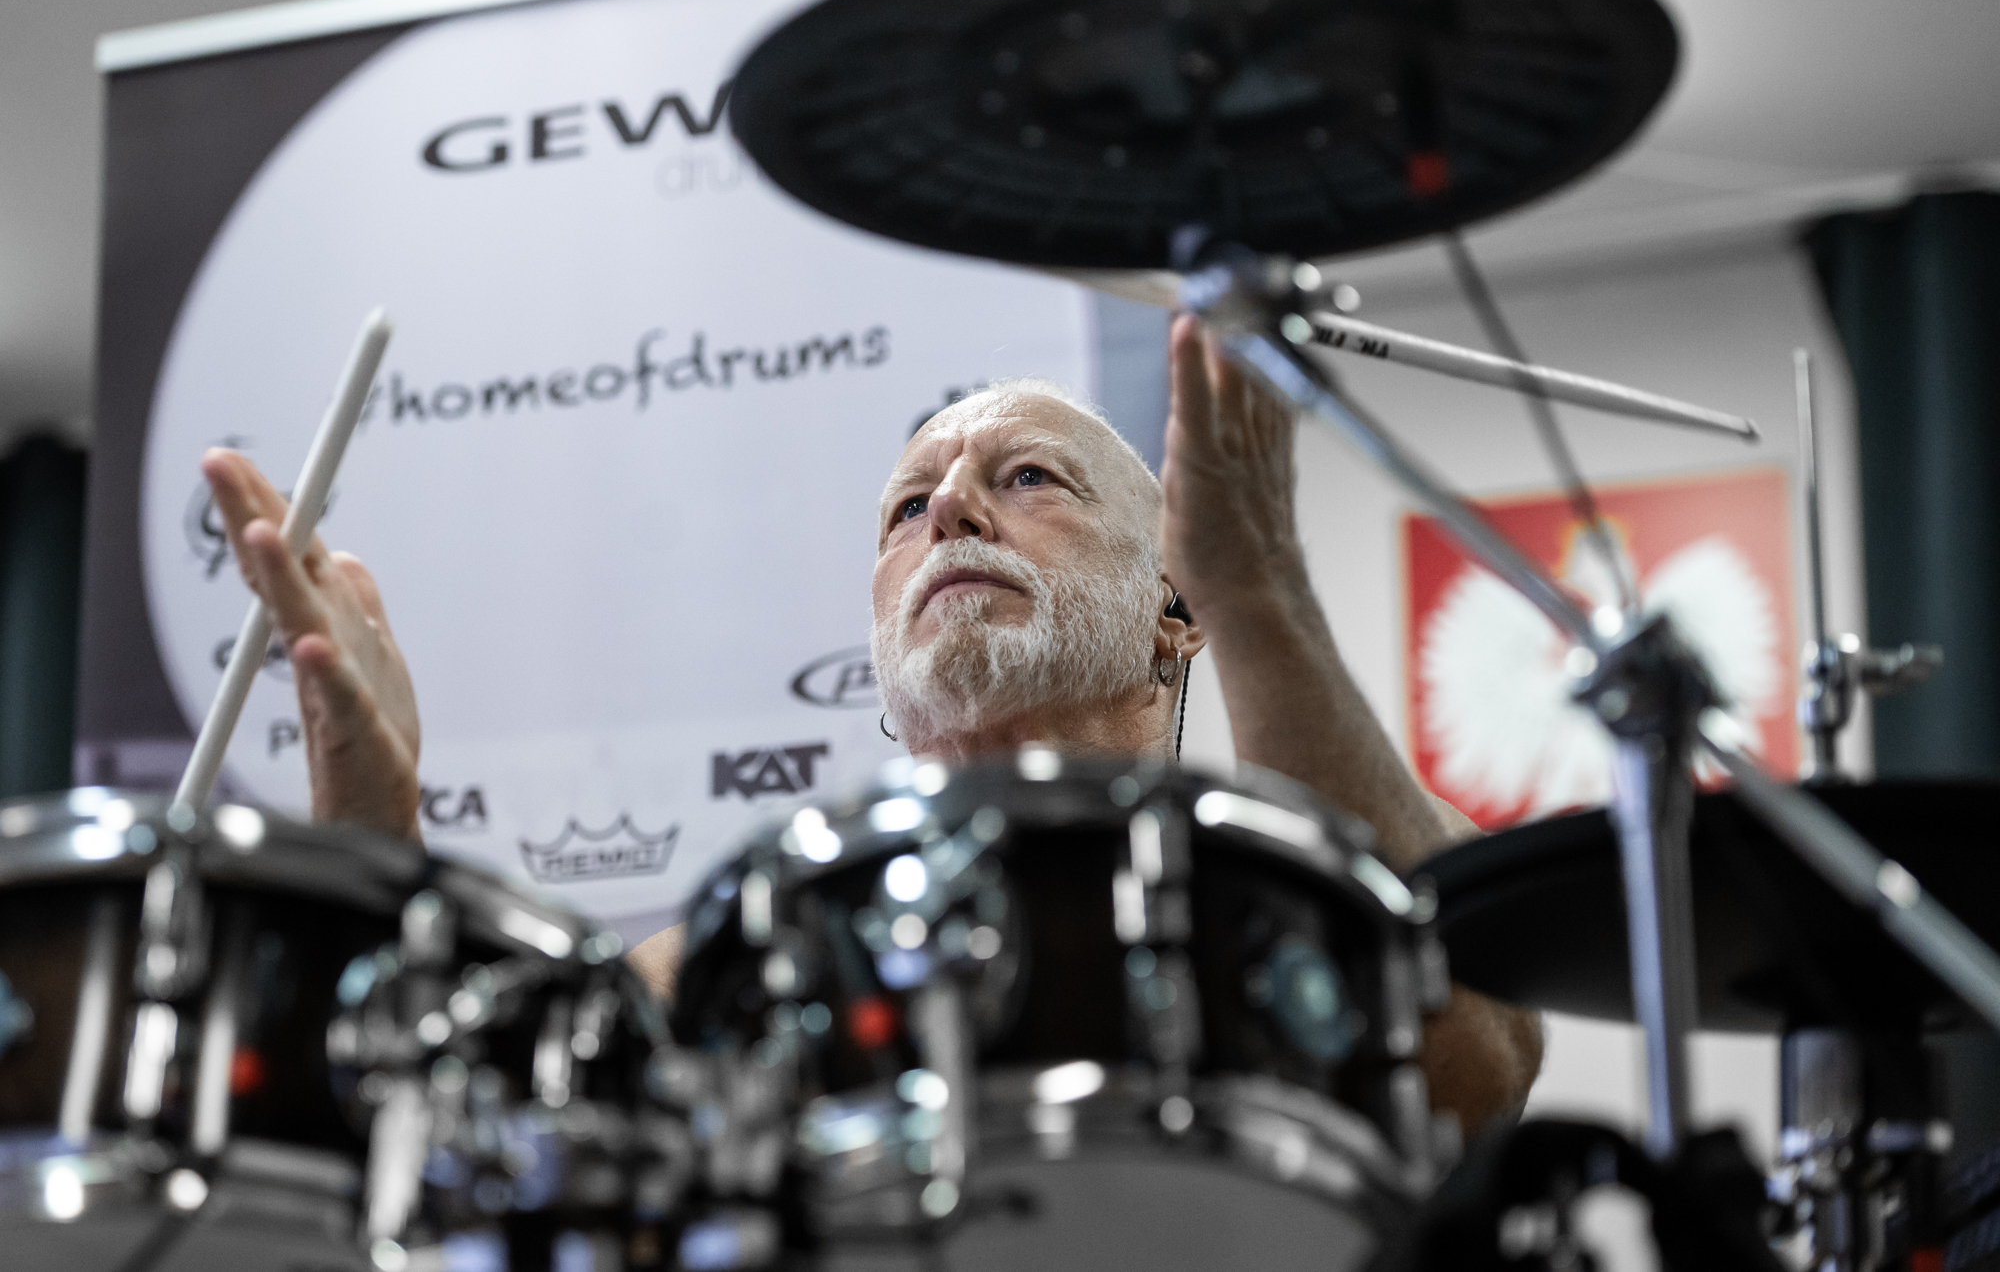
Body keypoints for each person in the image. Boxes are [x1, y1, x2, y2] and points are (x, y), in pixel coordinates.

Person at [201, 314, 1543, 1134]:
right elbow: (473, 1140)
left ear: (1171, 612)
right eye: (908, 509)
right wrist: (373, 833)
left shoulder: (1301, 875)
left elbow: (1473, 1064)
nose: (951, 509)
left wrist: (1259, 587)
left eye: (1030, 478)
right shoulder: (749, 954)